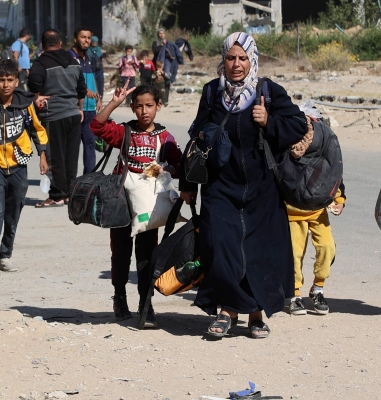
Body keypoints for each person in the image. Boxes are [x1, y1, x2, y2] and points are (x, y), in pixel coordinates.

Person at [181, 32, 308, 339]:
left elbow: (299, 126)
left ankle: (255, 314)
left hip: (262, 187)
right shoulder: (212, 92)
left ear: (252, 60)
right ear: (222, 60)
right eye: (230, 58)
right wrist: (188, 184)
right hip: (220, 186)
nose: (236, 65)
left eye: (242, 58)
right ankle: (227, 310)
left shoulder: (268, 91)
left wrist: (268, 122)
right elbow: (197, 138)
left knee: (258, 252)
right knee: (221, 246)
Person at [92, 84, 182, 327]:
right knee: (120, 252)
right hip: (121, 202)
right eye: (139, 106)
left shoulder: (165, 137)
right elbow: (97, 126)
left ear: (158, 107)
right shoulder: (124, 133)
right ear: (132, 107)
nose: (144, 111)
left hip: (148, 205)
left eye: (149, 106)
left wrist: (167, 169)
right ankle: (120, 297)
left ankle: (145, 302)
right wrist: (114, 103)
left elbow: (179, 164)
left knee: (146, 254)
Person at [0, 59, 49, 276]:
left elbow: (37, 129)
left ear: (17, 81)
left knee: (14, 210)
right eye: (1, 80)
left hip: (19, 165)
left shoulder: (25, 104)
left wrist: (42, 154)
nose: (5, 84)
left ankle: (6, 254)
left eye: (9, 80)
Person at [286, 123, 346, 315]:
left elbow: (333, 176)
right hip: (293, 213)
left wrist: (339, 200)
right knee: (295, 254)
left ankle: (317, 289)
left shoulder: (323, 150)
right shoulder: (285, 150)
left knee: (327, 248)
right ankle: (295, 294)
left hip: (318, 211)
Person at [27, 30, 86, 208]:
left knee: (55, 156)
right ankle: (69, 194)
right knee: (71, 156)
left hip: (53, 115)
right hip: (74, 114)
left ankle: (57, 195)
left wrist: (37, 96)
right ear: (60, 44)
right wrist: (80, 108)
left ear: (42, 46)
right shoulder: (73, 61)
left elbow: (33, 83)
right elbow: (81, 88)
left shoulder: (41, 63)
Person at [68, 27, 102, 174]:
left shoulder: (88, 58)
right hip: (74, 110)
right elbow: (67, 80)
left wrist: (98, 97)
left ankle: (88, 180)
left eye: (88, 37)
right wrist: (82, 90)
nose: (86, 40)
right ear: (76, 39)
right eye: (83, 37)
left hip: (90, 110)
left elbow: (93, 78)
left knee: (90, 145)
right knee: (71, 149)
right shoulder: (69, 57)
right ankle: (69, 183)